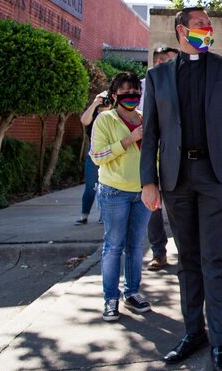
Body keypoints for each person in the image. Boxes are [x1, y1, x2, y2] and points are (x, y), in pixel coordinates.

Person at [141, 7, 222, 371]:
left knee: (213, 260)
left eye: (209, 25)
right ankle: (194, 332)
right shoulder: (157, 77)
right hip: (175, 179)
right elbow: (152, 134)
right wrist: (148, 182)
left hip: (216, 176)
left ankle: (220, 343)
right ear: (182, 31)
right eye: (201, 24)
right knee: (187, 260)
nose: (208, 29)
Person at [89, 71, 152, 321]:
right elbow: (97, 157)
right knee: (114, 246)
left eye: (136, 92)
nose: (132, 96)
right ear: (114, 95)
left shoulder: (146, 119)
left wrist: (153, 183)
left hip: (141, 193)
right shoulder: (105, 120)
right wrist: (128, 140)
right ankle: (110, 298)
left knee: (135, 247)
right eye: (125, 93)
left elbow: (154, 156)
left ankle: (132, 292)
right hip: (113, 192)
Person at [143, 46, 179, 271]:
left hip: (174, 160)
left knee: (179, 213)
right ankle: (159, 253)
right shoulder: (144, 84)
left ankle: (186, 252)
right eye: (170, 62)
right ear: (158, 63)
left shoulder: (178, 87)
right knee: (153, 210)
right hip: (150, 157)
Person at [76, 90, 110, 225]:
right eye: (103, 99)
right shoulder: (93, 115)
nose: (104, 102)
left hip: (110, 152)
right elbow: (84, 121)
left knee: (107, 185)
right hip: (94, 153)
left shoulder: (114, 115)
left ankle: (104, 215)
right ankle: (84, 215)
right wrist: (95, 103)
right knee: (91, 185)